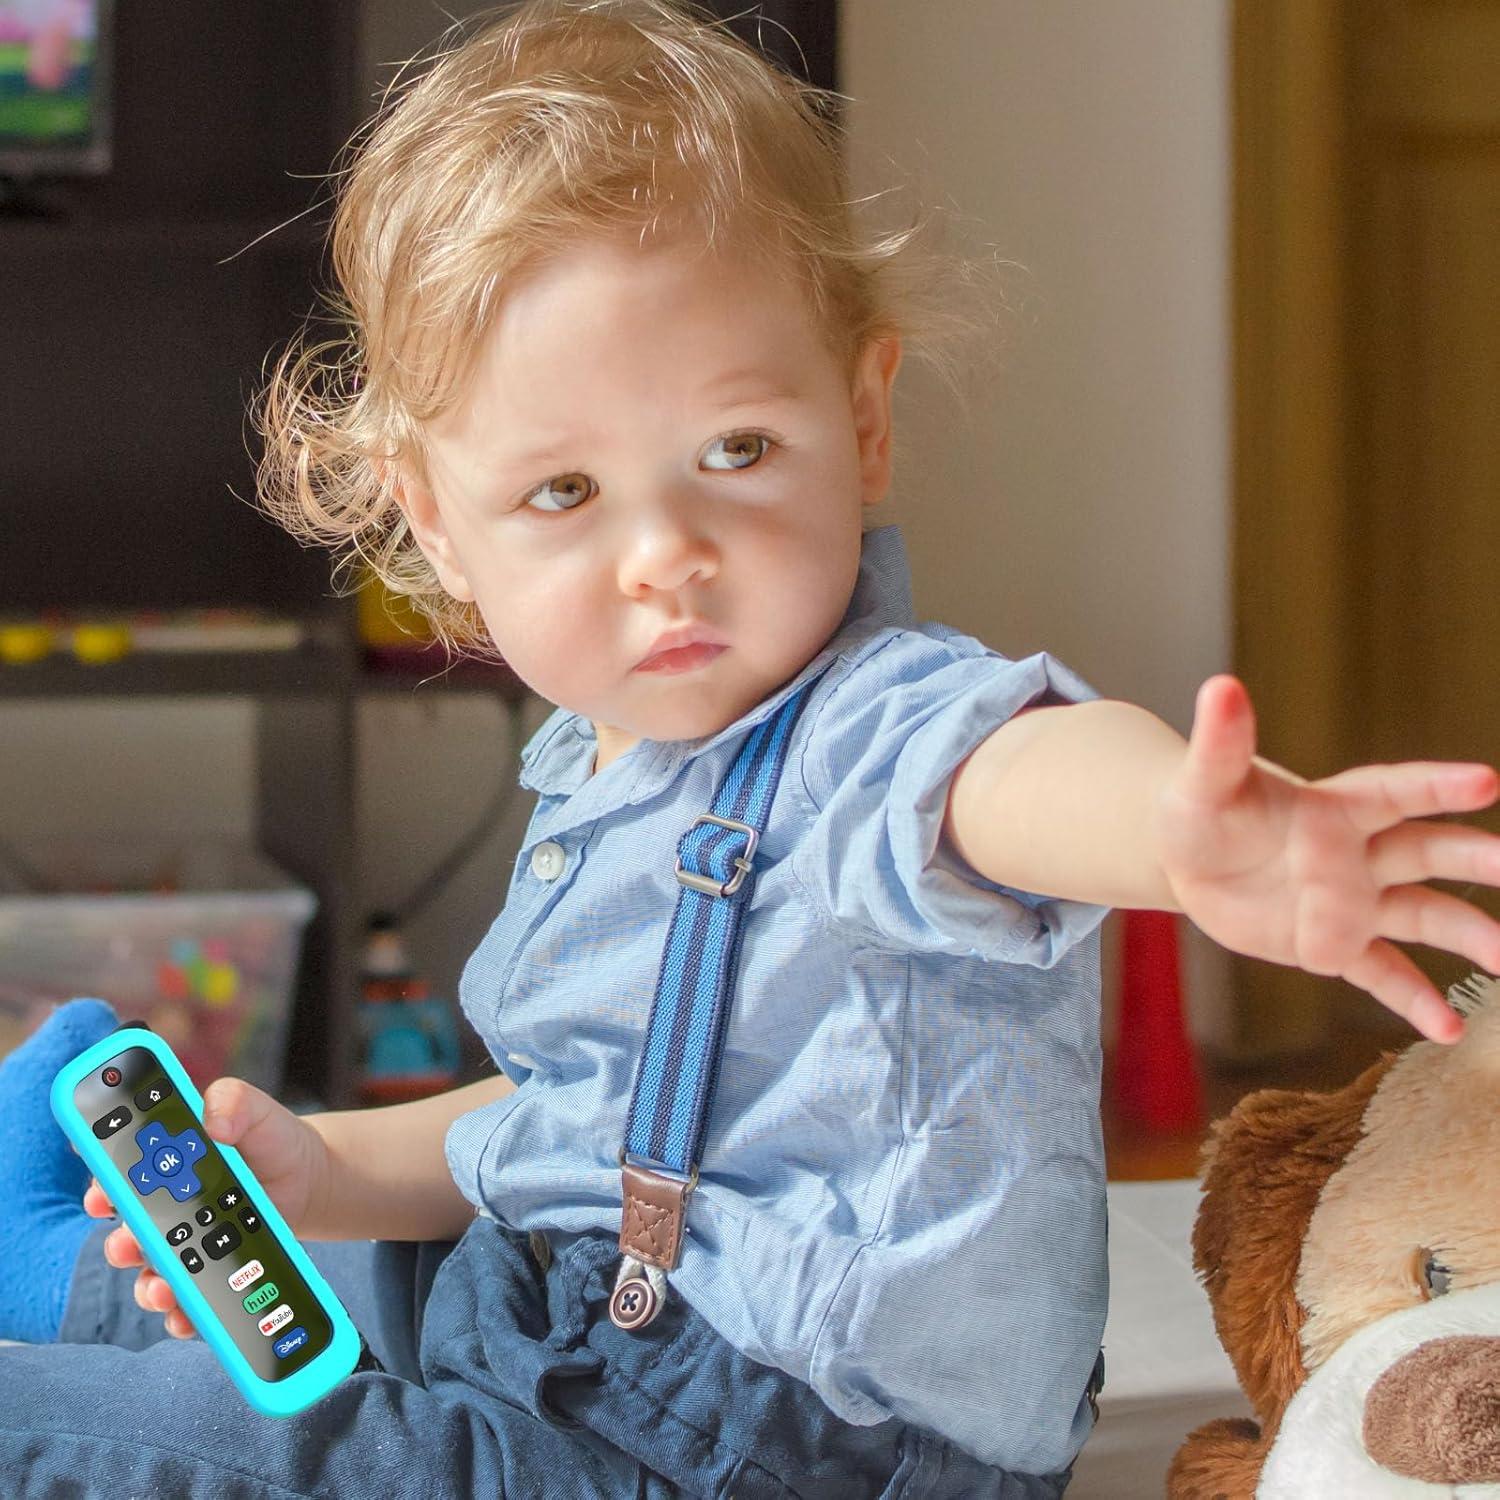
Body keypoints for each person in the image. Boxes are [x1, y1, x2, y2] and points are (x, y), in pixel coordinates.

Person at [2, 2, 1497, 1495]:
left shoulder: (870, 724)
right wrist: (332, 1171)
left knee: (240, 1447)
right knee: (355, 1304)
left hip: (769, 1452)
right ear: (437, 526)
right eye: (565, 492)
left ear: (862, 421)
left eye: (736, 453)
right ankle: (59, 1277)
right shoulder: (605, 763)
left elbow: (1007, 774)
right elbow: (581, 1118)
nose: (666, 554)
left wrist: (1177, 827)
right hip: (576, 1315)